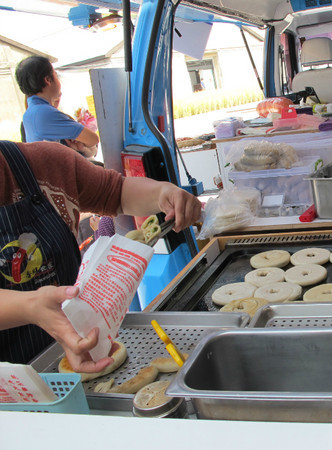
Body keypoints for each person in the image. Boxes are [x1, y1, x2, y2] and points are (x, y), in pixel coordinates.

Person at [0, 140, 202, 372]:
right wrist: (30, 307)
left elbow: (116, 192)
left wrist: (162, 193)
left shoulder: (44, 163)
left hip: (83, 349)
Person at [15, 56, 99, 158]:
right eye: (56, 75)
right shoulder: (45, 113)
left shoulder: (30, 113)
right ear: (47, 80)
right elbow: (93, 139)